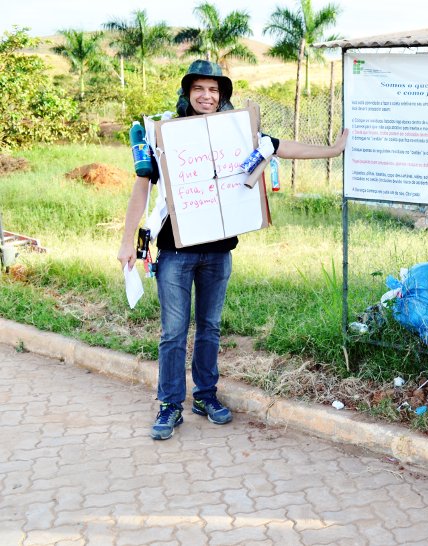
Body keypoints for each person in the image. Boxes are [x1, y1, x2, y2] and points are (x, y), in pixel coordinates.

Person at [117, 60, 348, 440]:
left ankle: (205, 396)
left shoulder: (235, 133)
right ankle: (170, 405)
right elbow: (141, 187)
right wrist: (128, 240)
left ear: (222, 95)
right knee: (173, 333)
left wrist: (331, 150)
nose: (206, 96)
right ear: (187, 93)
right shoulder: (165, 135)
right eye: (199, 89)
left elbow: (280, 147)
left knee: (209, 328)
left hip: (218, 252)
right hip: (175, 253)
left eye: (214, 90)